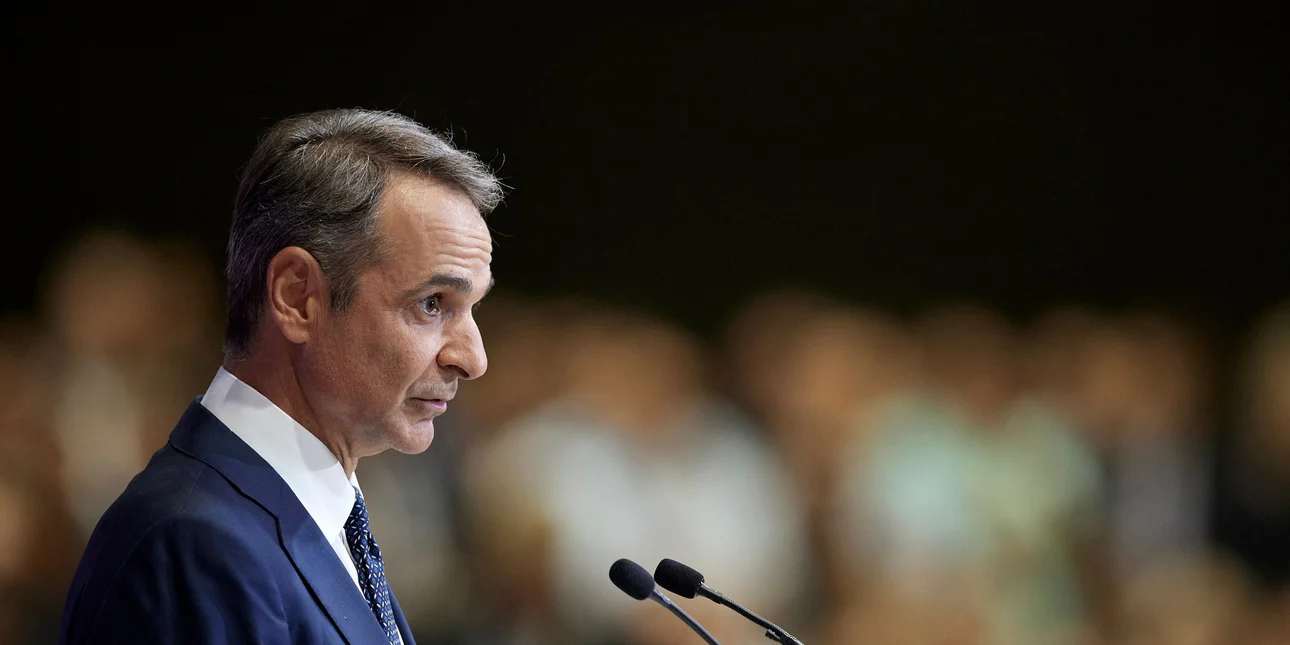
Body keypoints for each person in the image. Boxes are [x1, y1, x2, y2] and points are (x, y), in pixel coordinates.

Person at [59, 108, 504, 645]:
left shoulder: (306, 519)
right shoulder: (195, 546)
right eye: (432, 304)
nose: (473, 358)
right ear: (297, 297)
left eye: (473, 308)